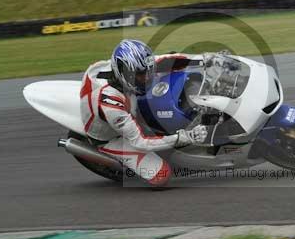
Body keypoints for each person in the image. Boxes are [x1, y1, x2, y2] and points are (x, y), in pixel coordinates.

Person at [80, 39, 207, 186]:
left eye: (148, 71)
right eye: (141, 74)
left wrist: (205, 59)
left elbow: (167, 59)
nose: (147, 77)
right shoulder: (111, 102)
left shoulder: (128, 67)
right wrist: (184, 137)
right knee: (162, 175)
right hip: (110, 137)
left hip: (116, 101)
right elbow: (141, 142)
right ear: (124, 74)